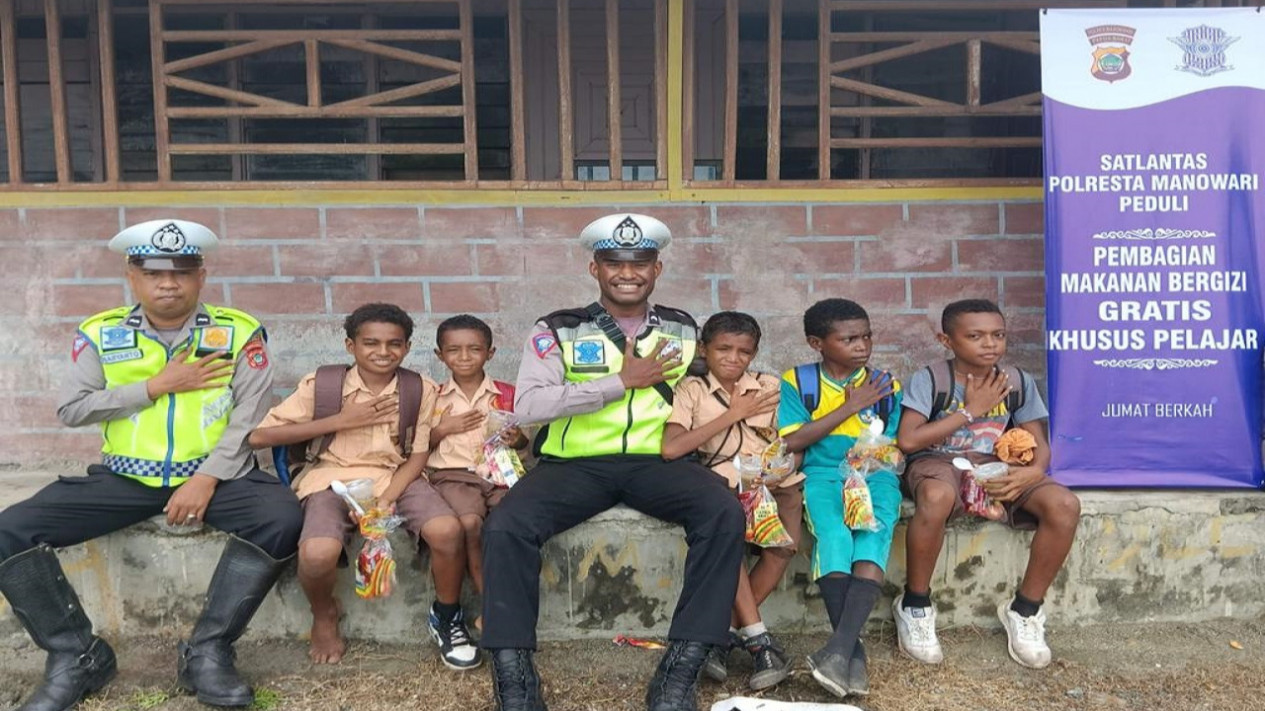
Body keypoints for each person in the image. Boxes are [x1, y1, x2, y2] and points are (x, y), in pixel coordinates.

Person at [0, 219, 303, 711]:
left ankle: (208, 652)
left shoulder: (239, 331)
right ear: (132, 276)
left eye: (182, 272)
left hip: (219, 475)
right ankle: (76, 655)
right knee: (9, 530)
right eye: (155, 272)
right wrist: (155, 386)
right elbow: (73, 408)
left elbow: (249, 417)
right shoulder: (100, 333)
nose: (169, 283)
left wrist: (205, 478)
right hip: (125, 476)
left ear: (201, 276)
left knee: (283, 517)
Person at [479, 213, 746, 711]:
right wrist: (619, 382)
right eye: (615, 263)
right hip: (574, 464)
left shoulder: (682, 327)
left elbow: (707, 386)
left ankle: (680, 670)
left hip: (655, 463)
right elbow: (530, 407)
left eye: (640, 262)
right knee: (505, 527)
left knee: (723, 513)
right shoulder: (557, 328)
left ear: (657, 269)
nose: (628, 272)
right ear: (594, 268)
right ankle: (514, 677)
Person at [248, 303, 478, 671]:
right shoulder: (322, 385)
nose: (383, 352)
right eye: (371, 343)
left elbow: (418, 456)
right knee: (317, 553)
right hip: (330, 478)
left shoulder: (418, 389)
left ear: (406, 347)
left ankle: (447, 616)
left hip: (395, 476)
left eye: (394, 344)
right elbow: (260, 437)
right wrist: (340, 420)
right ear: (350, 345)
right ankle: (324, 614)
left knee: (447, 531)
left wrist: (385, 500)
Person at [894, 299, 1081, 670]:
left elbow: (1038, 443)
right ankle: (915, 605)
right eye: (975, 336)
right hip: (938, 462)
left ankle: (1025, 611)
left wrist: (1035, 471)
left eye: (998, 335)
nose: (989, 344)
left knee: (1064, 505)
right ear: (946, 340)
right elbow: (910, 441)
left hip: (994, 464)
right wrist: (970, 411)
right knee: (936, 496)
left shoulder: (1016, 381)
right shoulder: (931, 379)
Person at [659, 311, 796, 691]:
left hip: (772, 482)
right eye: (723, 349)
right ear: (704, 348)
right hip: (721, 482)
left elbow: (791, 438)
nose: (734, 359)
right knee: (728, 545)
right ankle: (759, 642)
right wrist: (733, 414)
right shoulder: (690, 389)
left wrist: (781, 464)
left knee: (782, 548)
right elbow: (671, 449)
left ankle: (722, 637)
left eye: (744, 352)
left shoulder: (769, 385)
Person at [777, 298, 902, 699]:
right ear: (817, 342)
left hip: (874, 476)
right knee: (834, 537)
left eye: (866, 336)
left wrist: (875, 454)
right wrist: (851, 406)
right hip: (823, 475)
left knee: (872, 537)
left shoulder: (886, 385)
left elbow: (896, 446)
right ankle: (852, 653)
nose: (861, 345)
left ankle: (839, 650)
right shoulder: (799, 383)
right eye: (848, 339)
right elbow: (791, 440)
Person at [426, 314, 527, 606]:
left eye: (475, 349)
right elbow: (416, 445)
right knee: (469, 522)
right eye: (453, 350)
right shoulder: (433, 397)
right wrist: (444, 429)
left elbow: (525, 444)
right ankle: (489, 601)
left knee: (512, 519)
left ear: (490, 353)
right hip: (453, 477)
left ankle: (514, 595)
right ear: (440, 355)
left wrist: (516, 439)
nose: (465, 357)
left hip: (500, 476)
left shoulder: (508, 394)